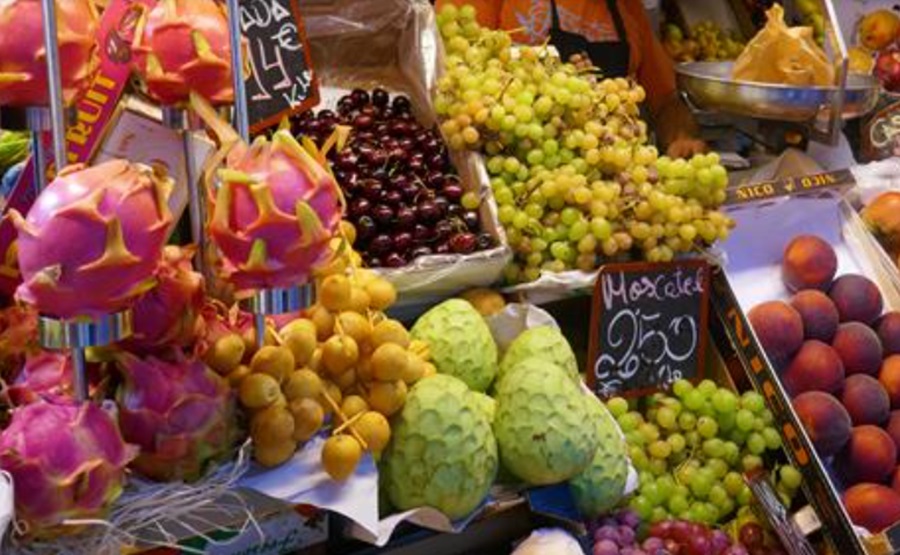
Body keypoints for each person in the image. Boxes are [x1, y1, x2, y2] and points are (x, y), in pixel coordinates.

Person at [434, 0, 706, 158]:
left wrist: (682, 137)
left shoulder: (625, 7)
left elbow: (667, 100)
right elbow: (457, 89)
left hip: (614, 183)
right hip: (524, 182)